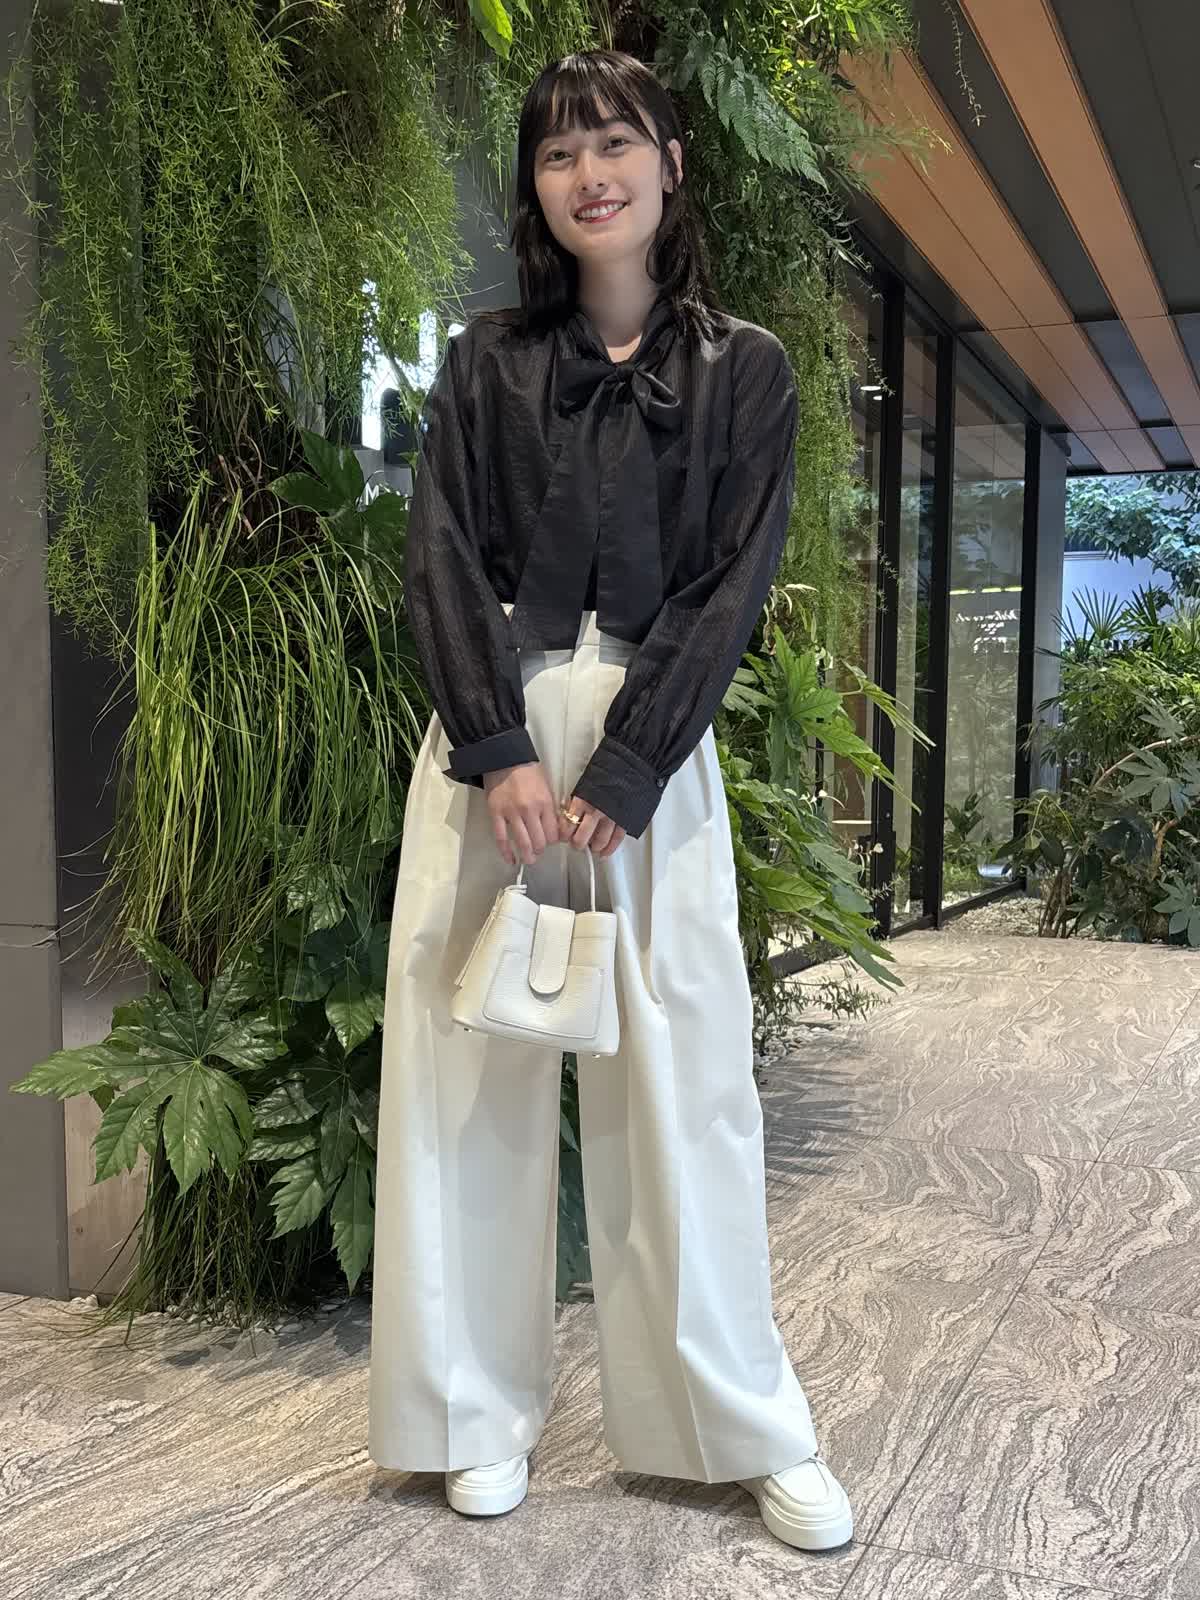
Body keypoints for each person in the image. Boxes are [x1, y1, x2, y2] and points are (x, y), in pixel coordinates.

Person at [366, 47, 854, 1555]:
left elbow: (733, 584)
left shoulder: (747, 371)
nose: (591, 174)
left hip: (652, 755)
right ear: (535, 186)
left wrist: (631, 765)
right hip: (496, 751)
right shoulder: (482, 363)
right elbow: (441, 553)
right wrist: (496, 745)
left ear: (670, 164)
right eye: (560, 150)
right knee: (465, 1082)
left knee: (688, 1087)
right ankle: (468, 1413)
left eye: (617, 142)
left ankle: (737, 1422)